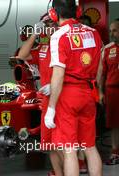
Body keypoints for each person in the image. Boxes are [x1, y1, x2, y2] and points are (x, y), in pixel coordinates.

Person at [44, 0, 103, 176]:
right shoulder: (94, 33)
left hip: (67, 95)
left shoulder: (58, 36)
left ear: (53, 13)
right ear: (78, 11)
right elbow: (100, 67)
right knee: (90, 146)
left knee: (69, 150)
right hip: (88, 93)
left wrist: (51, 108)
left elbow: (59, 74)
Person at [17, 14, 63, 176]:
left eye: (52, 23)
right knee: (49, 145)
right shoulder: (43, 48)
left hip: (63, 101)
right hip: (45, 103)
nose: (50, 27)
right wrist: (35, 33)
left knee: (62, 145)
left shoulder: (65, 44)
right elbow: (21, 56)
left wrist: (56, 86)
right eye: (46, 24)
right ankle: (58, 173)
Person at [99, 18, 119, 165]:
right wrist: (100, 92)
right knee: (114, 124)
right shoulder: (107, 49)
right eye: (111, 30)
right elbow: (101, 74)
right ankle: (115, 153)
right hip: (112, 91)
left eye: (115, 30)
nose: (112, 33)